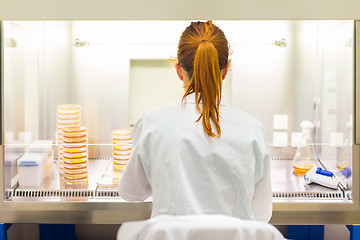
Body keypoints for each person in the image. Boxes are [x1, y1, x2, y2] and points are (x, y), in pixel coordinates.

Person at [118, 20, 272, 222]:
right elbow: (261, 214)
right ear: (225, 70)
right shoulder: (253, 130)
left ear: (178, 71)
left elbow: (131, 192)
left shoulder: (151, 124)